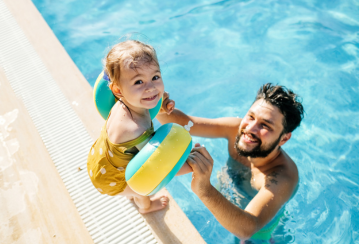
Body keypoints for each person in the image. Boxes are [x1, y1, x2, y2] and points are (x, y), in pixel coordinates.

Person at [157, 83, 304, 241]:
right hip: (226, 198)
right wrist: (158, 107)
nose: (250, 129)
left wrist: (204, 189)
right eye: (251, 116)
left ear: (284, 138)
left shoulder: (282, 176)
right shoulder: (235, 129)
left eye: (265, 125)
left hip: (259, 232)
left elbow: (248, 228)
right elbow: (185, 123)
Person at [87, 40, 190, 214]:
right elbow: (157, 165)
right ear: (118, 90)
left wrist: (162, 104)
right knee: (141, 191)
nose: (151, 88)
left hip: (99, 161)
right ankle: (146, 208)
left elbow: (149, 101)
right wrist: (190, 162)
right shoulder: (135, 129)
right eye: (138, 82)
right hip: (112, 179)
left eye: (155, 77)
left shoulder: (121, 102)